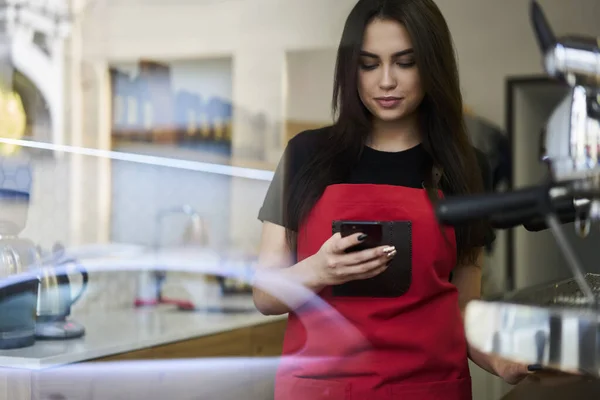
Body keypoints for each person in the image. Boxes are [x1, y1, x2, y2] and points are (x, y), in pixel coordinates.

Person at [253, 0, 530, 399]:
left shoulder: (466, 167)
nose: (386, 81)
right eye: (369, 64)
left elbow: (465, 305)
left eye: (405, 62)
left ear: (431, 65)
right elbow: (265, 293)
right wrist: (318, 270)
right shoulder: (305, 156)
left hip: (429, 388)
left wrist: (502, 360)